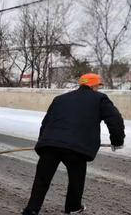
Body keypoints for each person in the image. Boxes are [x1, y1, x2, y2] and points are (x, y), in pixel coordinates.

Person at [22, 73, 125, 215]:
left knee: (42, 179)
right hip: (76, 148)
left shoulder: (60, 99)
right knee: (76, 180)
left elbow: (46, 123)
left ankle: (31, 210)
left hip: (50, 144)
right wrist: (117, 141)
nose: (98, 89)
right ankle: (73, 209)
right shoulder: (100, 98)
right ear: (94, 86)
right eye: (98, 86)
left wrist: (43, 142)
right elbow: (115, 120)